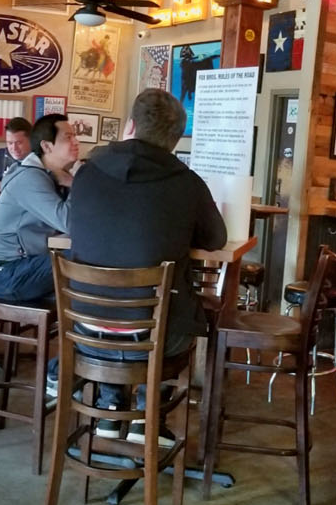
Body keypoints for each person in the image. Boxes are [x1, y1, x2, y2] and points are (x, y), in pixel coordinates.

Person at [62, 91, 225, 443]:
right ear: (175, 139)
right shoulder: (187, 182)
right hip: (154, 340)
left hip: (84, 334)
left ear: (130, 126)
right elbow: (216, 238)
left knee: (115, 299)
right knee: (182, 312)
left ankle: (110, 411)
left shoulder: (86, 174)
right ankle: (148, 419)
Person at [0, 113, 79, 307]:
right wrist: (77, 183)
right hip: (7, 274)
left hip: (26, 266)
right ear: (46, 146)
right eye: (68, 137)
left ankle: (86, 328)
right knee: (84, 256)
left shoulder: (49, 175)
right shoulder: (29, 178)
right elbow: (69, 221)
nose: (76, 142)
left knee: (85, 261)